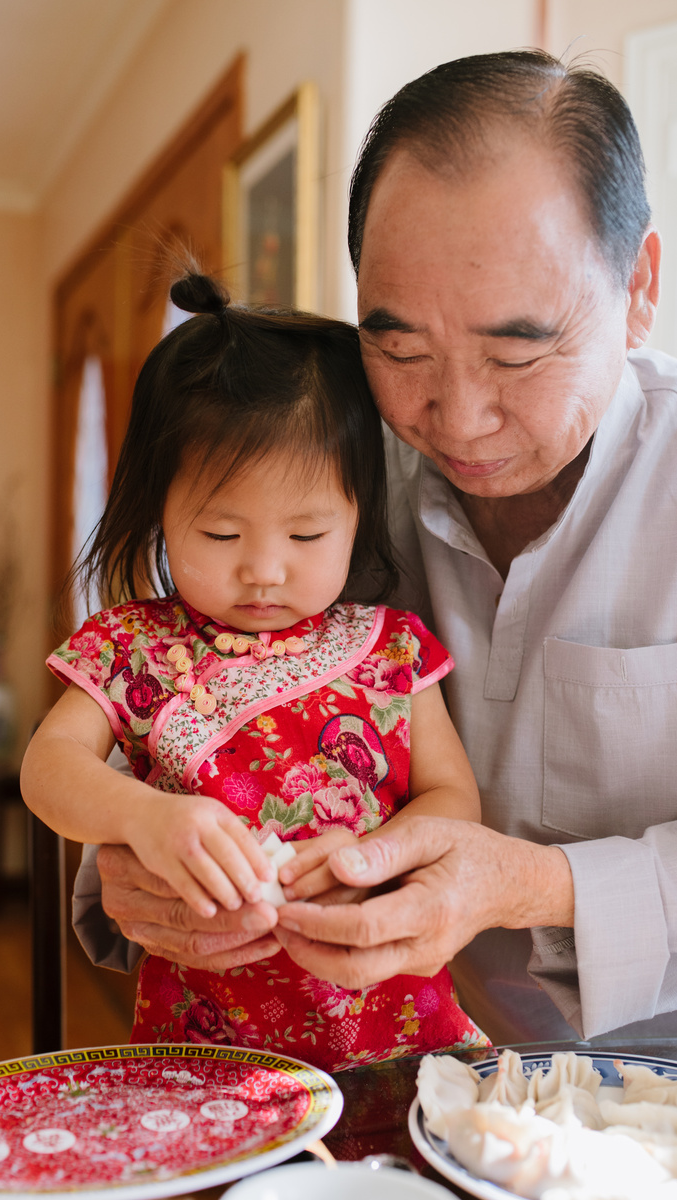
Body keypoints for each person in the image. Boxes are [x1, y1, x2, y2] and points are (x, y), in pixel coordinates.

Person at [73, 49, 677, 1045]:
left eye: (516, 352)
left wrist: (533, 884)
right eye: (399, 351)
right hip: (379, 1068)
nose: (459, 415)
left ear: (640, 284)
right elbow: (196, 707)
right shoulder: (335, 487)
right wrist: (146, 856)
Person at [22, 271, 488, 1071]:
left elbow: (454, 799)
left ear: (358, 515)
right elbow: (47, 768)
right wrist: (142, 818)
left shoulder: (393, 647)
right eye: (220, 535)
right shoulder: (134, 646)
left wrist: (372, 859)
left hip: (394, 1035)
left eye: (307, 536)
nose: (264, 572)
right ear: (159, 514)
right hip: (205, 1040)